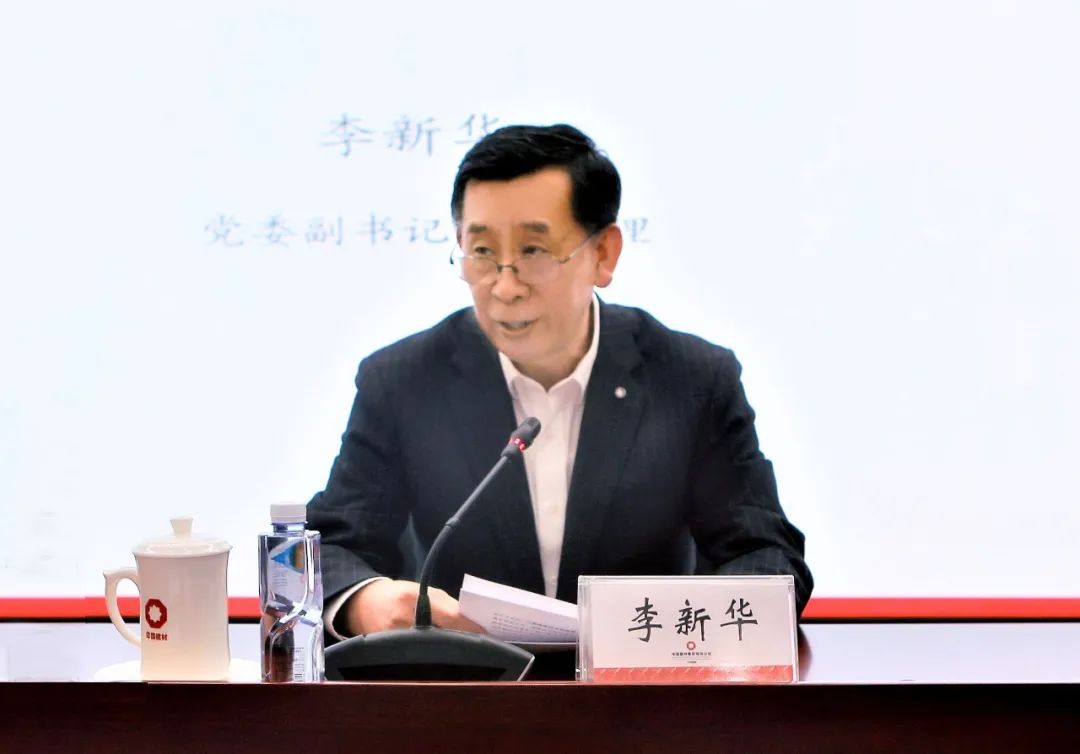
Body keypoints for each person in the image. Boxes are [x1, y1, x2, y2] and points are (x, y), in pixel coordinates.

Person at [307, 124, 812, 640]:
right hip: (463, 683)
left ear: (604, 253)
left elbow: (764, 554)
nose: (505, 287)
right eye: (481, 251)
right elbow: (332, 547)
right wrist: (364, 602)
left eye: (534, 251)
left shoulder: (691, 379)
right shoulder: (405, 381)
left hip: (642, 684)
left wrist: (697, 633)